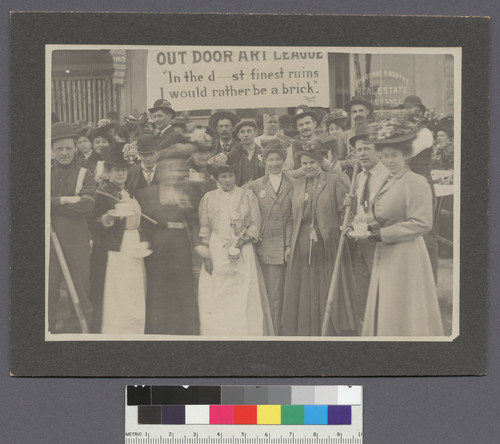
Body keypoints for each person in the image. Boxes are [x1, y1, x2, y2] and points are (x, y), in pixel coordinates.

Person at [361, 119, 444, 336]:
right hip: (386, 253)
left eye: (394, 155)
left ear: (405, 155)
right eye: (385, 155)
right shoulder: (386, 180)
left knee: (403, 308)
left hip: (406, 255)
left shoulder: (415, 181)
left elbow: (422, 223)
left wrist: (383, 234)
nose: (389, 160)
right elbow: (380, 212)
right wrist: (368, 226)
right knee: (387, 303)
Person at [281, 147, 356, 336]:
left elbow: (344, 213)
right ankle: (306, 330)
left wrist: (349, 213)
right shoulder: (296, 185)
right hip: (302, 245)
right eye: (304, 163)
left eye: (312, 163)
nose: (308, 167)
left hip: (327, 244)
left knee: (326, 285)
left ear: (320, 163)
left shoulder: (334, 181)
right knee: (305, 289)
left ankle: (330, 329)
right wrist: (289, 245)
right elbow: (291, 217)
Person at [197, 157, 274, 336]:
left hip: (242, 249)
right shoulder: (208, 198)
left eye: (231, 175)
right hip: (217, 249)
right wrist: (205, 249)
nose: (228, 180)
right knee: (217, 295)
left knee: (242, 295)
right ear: (216, 178)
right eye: (223, 176)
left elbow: (255, 225)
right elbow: (205, 226)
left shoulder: (246, 195)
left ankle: (242, 334)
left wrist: (240, 243)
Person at [137, 147, 200, 335]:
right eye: (170, 169)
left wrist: (198, 243)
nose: (174, 174)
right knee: (158, 291)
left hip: (180, 248)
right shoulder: (147, 194)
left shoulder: (187, 192)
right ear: (161, 171)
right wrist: (144, 242)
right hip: (157, 250)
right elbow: (143, 224)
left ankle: (184, 332)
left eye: (178, 170)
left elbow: (194, 221)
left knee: (182, 290)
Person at [88, 146, 147, 334]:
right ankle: (115, 329)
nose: (121, 173)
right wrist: (109, 218)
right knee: (117, 289)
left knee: (131, 289)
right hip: (115, 249)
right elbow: (95, 222)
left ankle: (132, 329)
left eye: (123, 170)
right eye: (116, 170)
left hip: (132, 245)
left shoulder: (126, 191)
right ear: (109, 172)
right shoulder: (103, 193)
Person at [49, 122, 96, 333]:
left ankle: (80, 333)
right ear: (52, 150)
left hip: (76, 240)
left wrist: (53, 204)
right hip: (48, 241)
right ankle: (48, 331)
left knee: (80, 289)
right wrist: (68, 200)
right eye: (59, 149)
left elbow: (87, 207)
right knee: (48, 290)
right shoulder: (44, 173)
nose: (64, 153)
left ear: (75, 148)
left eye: (68, 148)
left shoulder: (85, 174)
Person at [345, 124, 389, 334]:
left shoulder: (388, 176)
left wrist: (372, 228)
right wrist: (350, 213)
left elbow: (391, 211)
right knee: (362, 291)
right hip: (360, 242)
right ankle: (367, 334)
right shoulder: (360, 177)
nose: (361, 153)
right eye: (358, 150)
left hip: (380, 242)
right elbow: (360, 211)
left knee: (381, 290)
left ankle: (383, 333)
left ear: (378, 150)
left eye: (366, 148)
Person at [247, 139, 294, 335]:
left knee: (282, 295)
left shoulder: (293, 183)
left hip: (286, 247)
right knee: (268, 295)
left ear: (284, 161)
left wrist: (288, 244)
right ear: (264, 161)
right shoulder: (256, 186)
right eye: (270, 159)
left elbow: (292, 217)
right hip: (264, 247)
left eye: (278, 159)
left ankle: (279, 332)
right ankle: (270, 333)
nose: (274, 163)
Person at [403, 96, 439, 282]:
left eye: (416, 112)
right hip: (408, 184)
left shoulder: (425, 133)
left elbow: (407, 154)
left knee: (426, 233)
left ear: (422, 115)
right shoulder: (405, 133)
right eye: (408, 112)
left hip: (422, 184)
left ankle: (430, 282)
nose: (412, 115)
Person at [341, 96, 374, 177]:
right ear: (351, 114)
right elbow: (336, 163)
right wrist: (349, 163)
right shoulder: (345, 135)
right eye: (354, 112)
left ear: (367, 111)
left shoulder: (376, 132)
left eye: (361, 111)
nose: (358, 114)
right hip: (352, 175)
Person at [227, 119, 265, 186]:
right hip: (240, 192)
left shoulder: (263, 152)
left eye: (249, 131)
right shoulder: (234, 154)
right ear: (238, 135)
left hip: (260, 192)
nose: (246, 135)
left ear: (255, 133)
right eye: (242, 132)